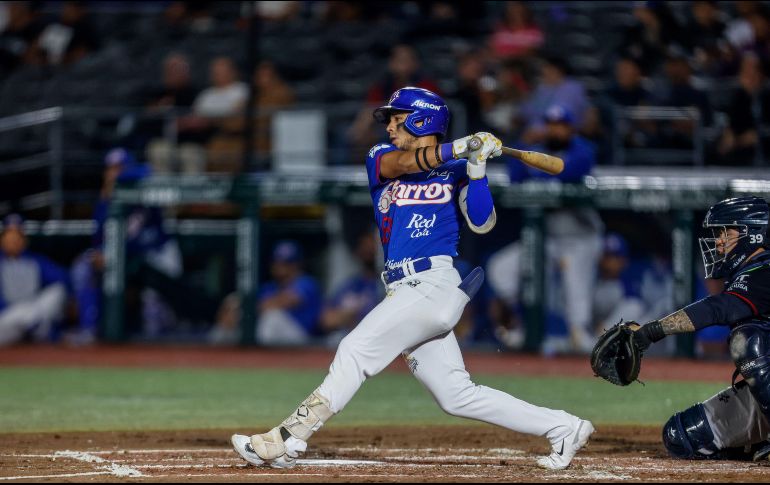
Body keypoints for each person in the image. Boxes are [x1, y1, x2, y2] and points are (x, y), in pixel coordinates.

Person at [230, 87, 593, 471]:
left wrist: (476, 167)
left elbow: (482, 222)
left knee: (355, 349)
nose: (389, 126)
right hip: (403, 288)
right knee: (456, 395)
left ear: (423, 119)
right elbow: (404, 166)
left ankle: (288, 439)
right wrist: (460, 147)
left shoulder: (457, 168)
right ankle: (563, 426)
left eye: (397, 118)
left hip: (434, 282)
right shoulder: (381, 157)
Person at [613, 196, 770, 461]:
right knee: (683, 435)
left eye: (726, 232)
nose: (719, 241)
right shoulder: (750, 272)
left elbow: (719, 308)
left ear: (752, 235)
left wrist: (651, 332)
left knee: (747, 340)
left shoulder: (765, 269)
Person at [509, 105, 603, 355]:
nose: (555, 130)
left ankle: (579, 333)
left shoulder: (583, 150)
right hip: (547, 238)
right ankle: (524, 326)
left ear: (570, 128)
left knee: (575, 283)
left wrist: (537, 178)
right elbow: (514, 178)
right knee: (503, 269)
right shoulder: (534, 150)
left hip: (580, 236)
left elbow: (569, 175)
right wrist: (521, 146)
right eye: (550, 125)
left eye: (560, 125)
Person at [70, 148, 182, 343]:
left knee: (154, 301)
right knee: (82, 267)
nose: (114, 173)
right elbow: (98, 240)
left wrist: (123, 178)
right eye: (110, 169)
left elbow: (147, 170)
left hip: (156, 252)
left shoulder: (142, 185)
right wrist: (101, 253)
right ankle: (89, 329)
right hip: (126, 257)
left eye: (119, 168)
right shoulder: (105, 201)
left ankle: (165, 335)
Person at [0, 214, 68, 346]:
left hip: (34, 312)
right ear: (2, 239)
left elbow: (62, 278)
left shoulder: (35, 260)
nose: (13, 240)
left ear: (24, 240)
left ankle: (36, 330)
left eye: (17, 236)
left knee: (57, 291)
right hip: (6, 318)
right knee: (22, 314)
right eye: (9, 236)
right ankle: (38, 331)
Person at [319, 230, 381, 347]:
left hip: (378, 340)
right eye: (364, 247)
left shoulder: (386, 284)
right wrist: (347, 315)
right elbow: (327, 320)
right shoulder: (351, 284)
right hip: (349, 337)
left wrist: (350, 315)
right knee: (335, 339)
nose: (367, 251)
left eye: (372, 247)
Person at [255, 240, 322, 346]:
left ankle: (260, 358)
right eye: (277, 262)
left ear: (297, 264)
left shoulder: (306, 282)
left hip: (304, 339)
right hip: (277, 340)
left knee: (272, 317)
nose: (280, 266)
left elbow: (287, 301)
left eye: (287, 263)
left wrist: (262, 306)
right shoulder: (269, 287)